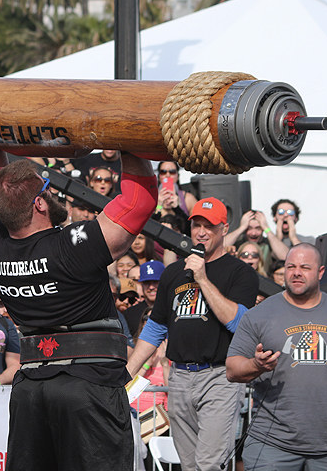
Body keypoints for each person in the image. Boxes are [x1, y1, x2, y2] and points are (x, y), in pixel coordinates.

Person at [0, 149, 157, 471]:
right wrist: (128, 143)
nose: (53, 193)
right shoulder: (72, 245)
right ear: (39, 204)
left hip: (31, 390)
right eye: (47, 188)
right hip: (88, 388)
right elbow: (138, 202)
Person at [126, 197, 259, 471]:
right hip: (179, 377)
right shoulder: (174, 273)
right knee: (189, 465)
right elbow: (156, 326)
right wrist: (128, 371)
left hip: (219, 377)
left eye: (209, 226)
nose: (201, 232)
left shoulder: (240, 273)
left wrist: (202, 279)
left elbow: (237, 323)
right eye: (196, 225)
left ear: (224, 228)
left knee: (209, 464)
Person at [226, 243, 327, 469]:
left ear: (320, 272)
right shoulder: (258, 315)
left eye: (305, 267)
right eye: (291, 267)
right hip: (271, 445)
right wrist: (256, 365)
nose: (296, 272)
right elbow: (232, 369)